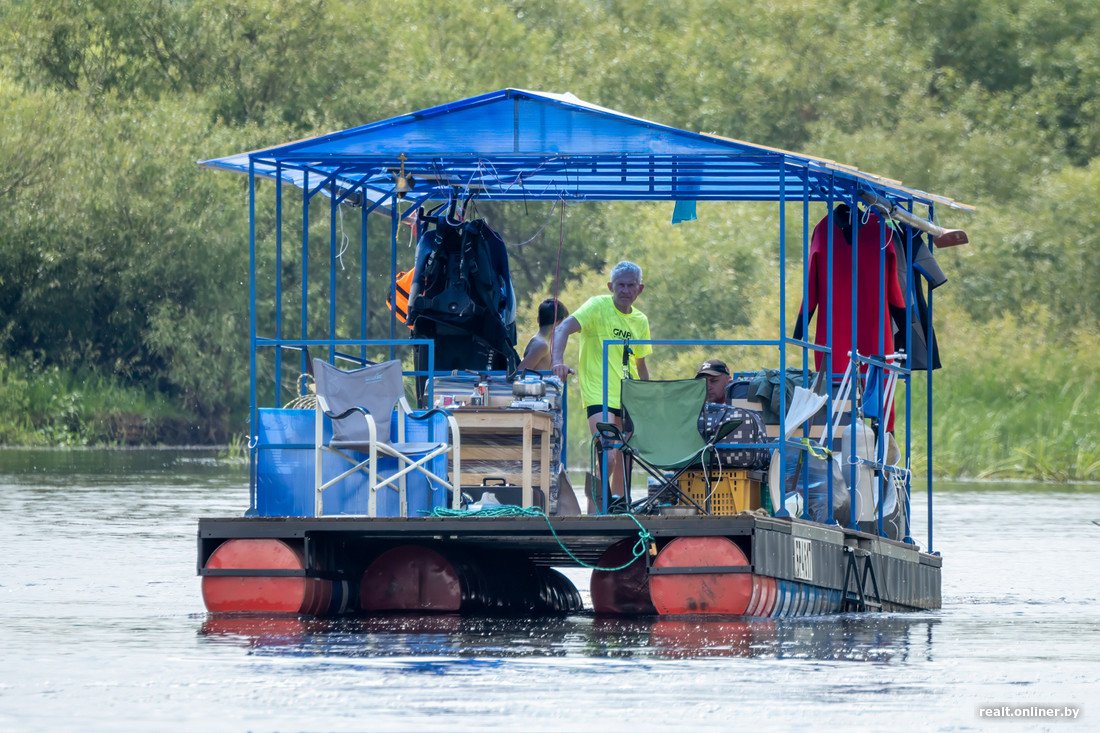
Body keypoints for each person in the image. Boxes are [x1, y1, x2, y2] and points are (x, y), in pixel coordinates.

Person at [551, 261, 651, 511]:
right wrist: (558, 362)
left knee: (625, 457)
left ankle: (616, 510)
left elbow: (641, 365)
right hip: (599, 392)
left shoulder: (640, 320)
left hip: (628, 395)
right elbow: (563, 327)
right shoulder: (597, 306)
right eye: (620, 285)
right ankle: (594, 512)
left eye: (630, 286)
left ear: (640, 289)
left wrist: (648, 398)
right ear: (610, 286)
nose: (625, 290)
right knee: (607, 455)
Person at [516, 298, 569, 372]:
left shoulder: (544, 343)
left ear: (538, 319)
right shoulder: (541, 345)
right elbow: (519, 374)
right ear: (562, 321)